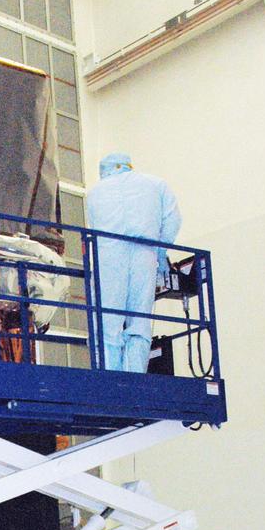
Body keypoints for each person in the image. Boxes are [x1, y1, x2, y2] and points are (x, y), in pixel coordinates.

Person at [86, 153, 182, 373]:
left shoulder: (96, 193)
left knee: (107, 322)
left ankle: (109, 377)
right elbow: (173, 220)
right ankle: (136, 374)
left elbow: (93, 228)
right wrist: (160, 251)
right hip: (144, 254)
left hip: (108, 257)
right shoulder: (156, 185)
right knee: (139, 319)